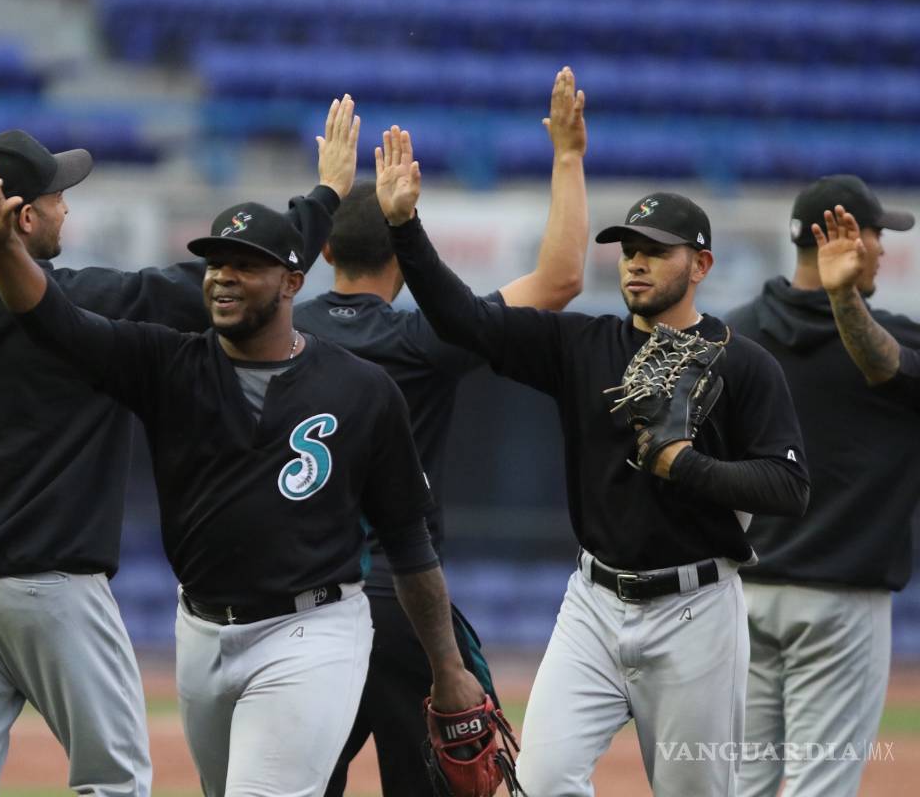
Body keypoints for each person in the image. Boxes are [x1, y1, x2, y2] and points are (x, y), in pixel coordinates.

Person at [0, 98, 358, 797]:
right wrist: (324, 197)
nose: (66, 209)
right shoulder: (84, 305)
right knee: (113, 780)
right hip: (48, 582)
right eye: (56, 198)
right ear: (23, 218)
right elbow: (237, 280)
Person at [0, 121, 487, 797]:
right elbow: (50, 318)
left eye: (245, 264)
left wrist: (448, 668)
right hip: (202, 633)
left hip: (313, 627)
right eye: (216, 262)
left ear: (292, 281)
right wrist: (1, 242)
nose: (223, 276)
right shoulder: (165, 363)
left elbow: (409, 543)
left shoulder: (362, 390)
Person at [377, 126, 812, 796]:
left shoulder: (743, 363)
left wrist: (685, 466)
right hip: (593, 602)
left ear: (700, 265)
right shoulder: (579, 344)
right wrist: (405, 228)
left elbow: (789, 486)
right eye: (628, 250)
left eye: (655, 252)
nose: (635, 263)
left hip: (695, 610)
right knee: (541, 781)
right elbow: (464, 319)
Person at [294, 67, 588, 797]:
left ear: (325, 253)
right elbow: (559, 279)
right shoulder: (423, 339)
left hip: (299, 603)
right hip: (401, 602)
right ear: (401, 258)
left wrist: (321, 194)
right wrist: (567, 156)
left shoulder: (279, 332)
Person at [727, 180, 920, 797]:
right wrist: (845, 299)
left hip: (741, 596)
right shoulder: (899, 339)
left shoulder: (732, 334)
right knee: (822, 786)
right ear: (846, 238)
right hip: (841, 600)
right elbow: (884, 365)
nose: (883, 248)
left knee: (740, 783)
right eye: (878, 233)